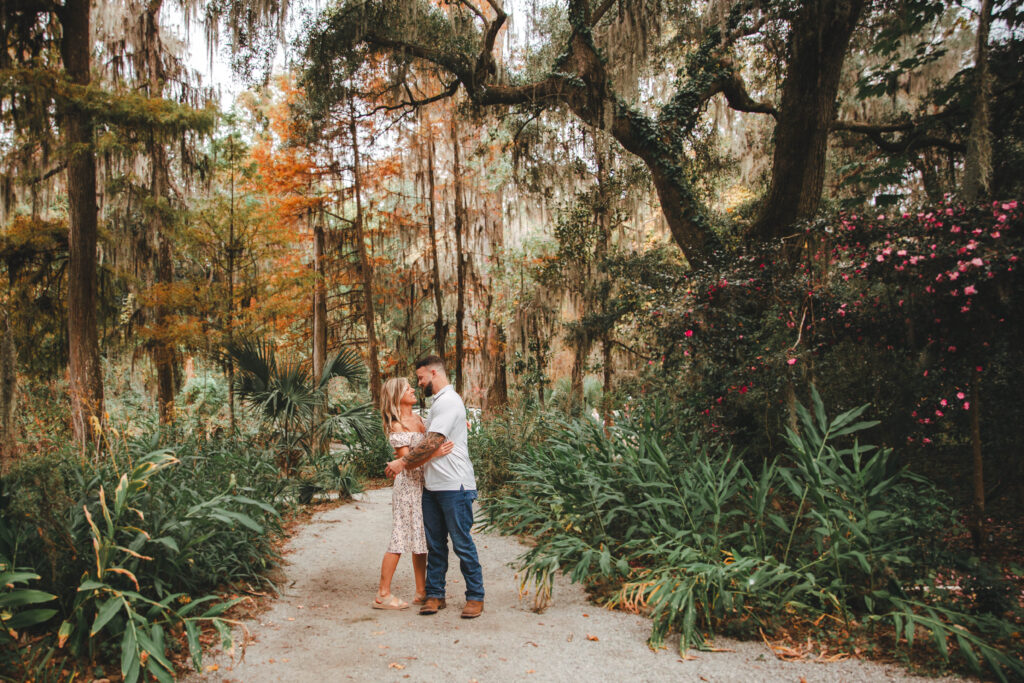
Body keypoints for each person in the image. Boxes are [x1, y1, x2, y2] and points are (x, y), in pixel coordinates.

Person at [385, 355, 485, 618]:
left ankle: (475, 596)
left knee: (462, 543)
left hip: (455, 484)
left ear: (433, 373)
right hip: (432, 486)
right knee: (435, 545)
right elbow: (431, 443)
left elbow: (431, 442)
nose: (419, 384)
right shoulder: (436, 404)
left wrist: (401, 463)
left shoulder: (450, 402)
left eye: (420, 378)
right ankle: (435, 594)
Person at [374, 377, 453, 610]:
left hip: (424, 484)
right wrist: (435, 455)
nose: (412, 389)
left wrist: (458, 426)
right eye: (407, 388)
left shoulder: (419, 419)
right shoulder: (397, 424)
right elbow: (406, 462)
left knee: (420, 539)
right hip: (407, 486)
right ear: (397, 395)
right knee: (399, 537)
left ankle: (421, 591)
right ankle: (383, 594)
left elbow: (436, 436)